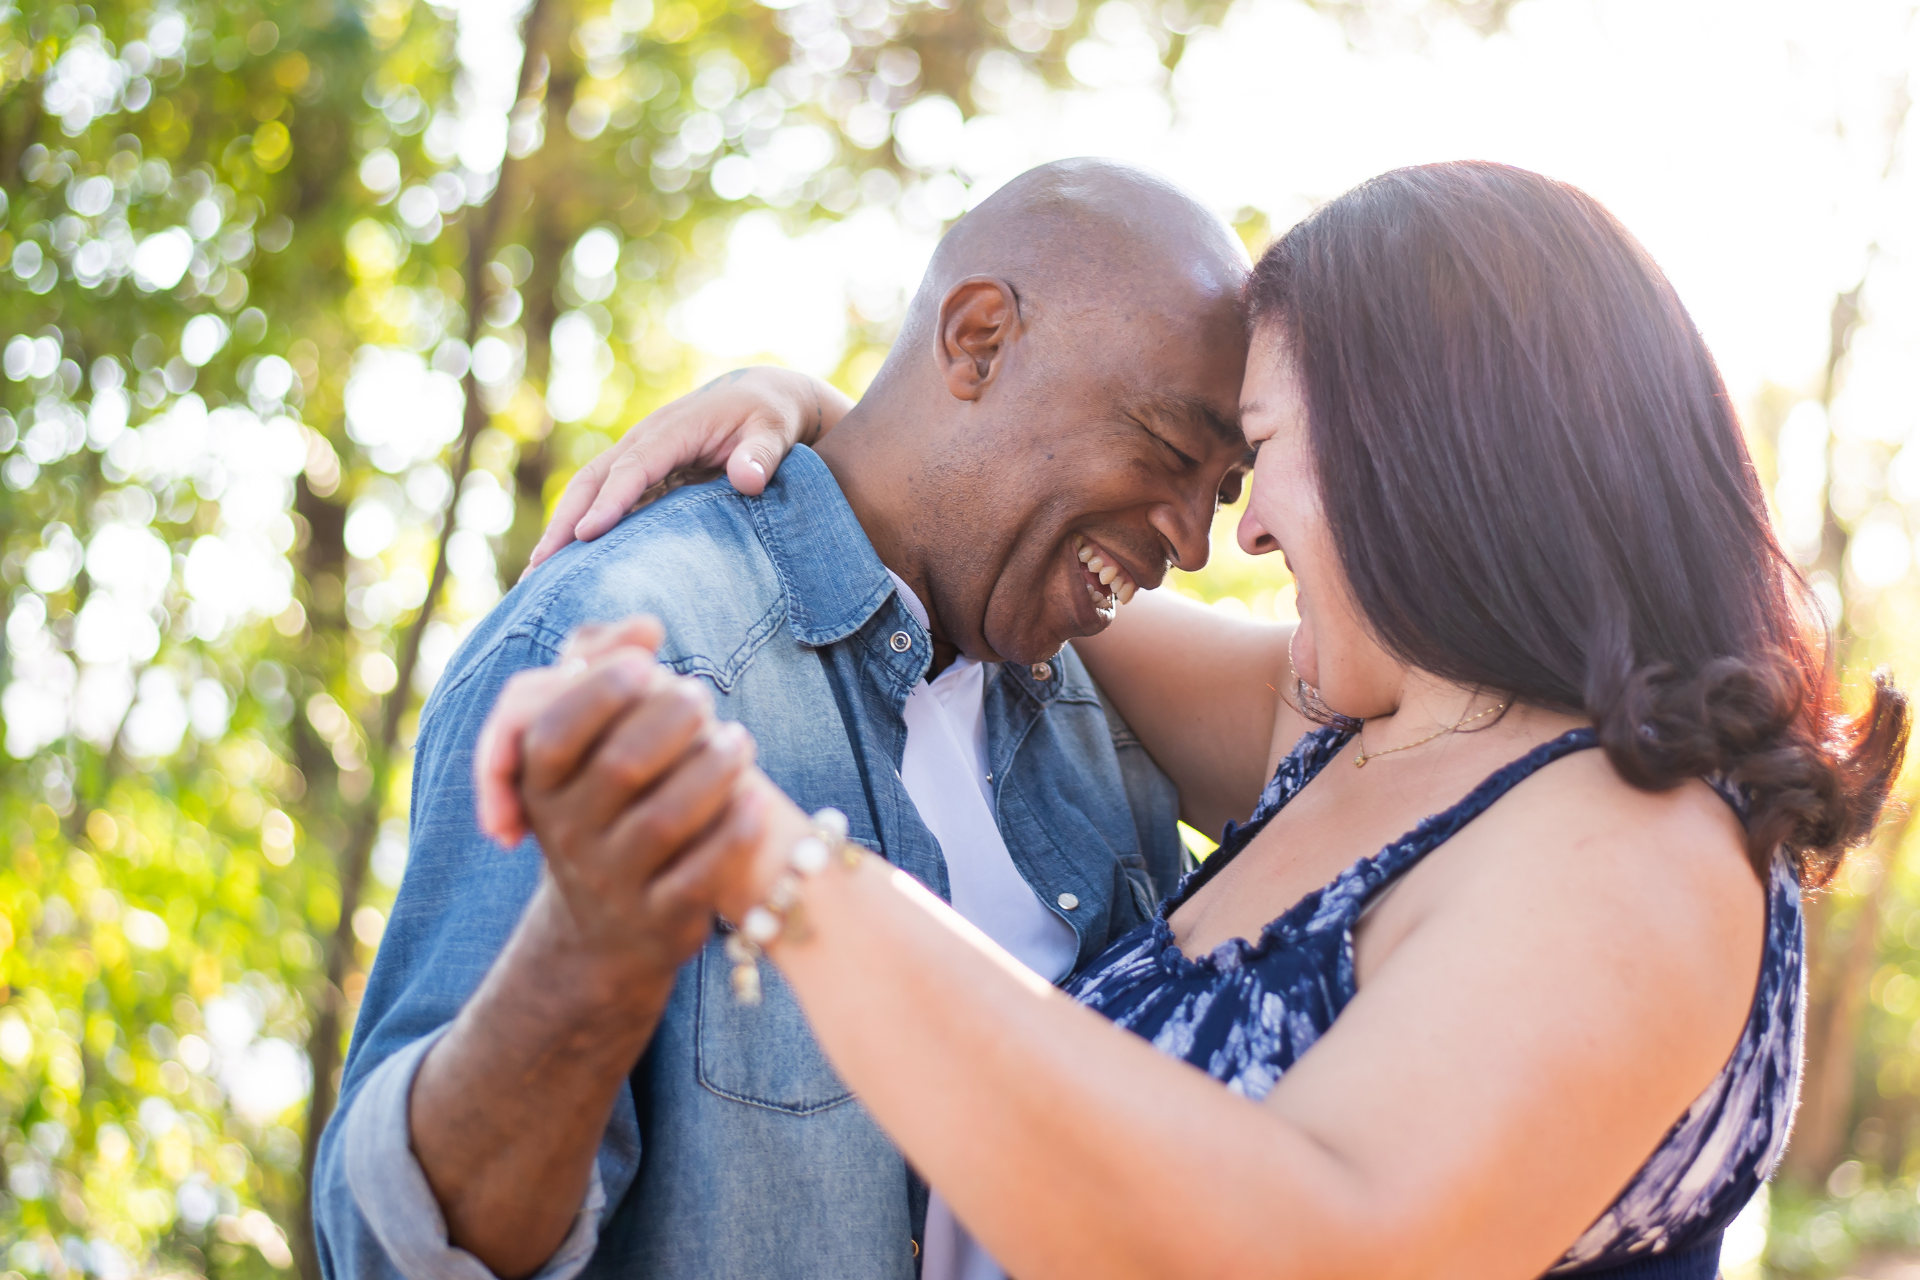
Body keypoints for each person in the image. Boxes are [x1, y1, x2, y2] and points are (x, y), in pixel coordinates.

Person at [489, 161, 1908, 1279]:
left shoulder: (1637, 844)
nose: (1250, 530)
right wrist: (817, 413)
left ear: (1429, 456)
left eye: (1266, 455)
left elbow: (1322, 1247)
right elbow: (963, 546)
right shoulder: (1372, 731)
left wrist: (768, 862)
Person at [309, 158, 1255, 1280]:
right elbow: (394, 1251)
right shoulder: (632, 642)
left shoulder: (1111, 735)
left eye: (1228, 485)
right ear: (979, 339)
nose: (1196, 541)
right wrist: (588, 965)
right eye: (1166, 448)